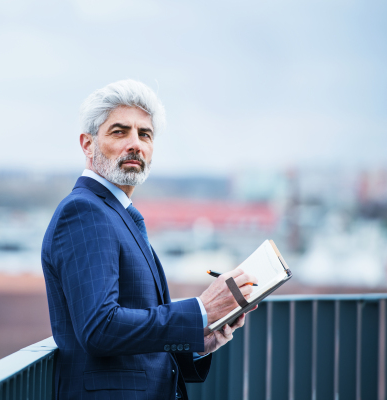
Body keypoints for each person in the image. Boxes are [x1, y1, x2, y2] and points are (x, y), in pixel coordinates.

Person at [41, 79, 258, 399]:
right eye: (119, 131)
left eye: (145, 134)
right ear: (87, 144)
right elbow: (100, 328)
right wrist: (200, 309)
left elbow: (133, 334)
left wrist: (197, 339)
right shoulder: (85, 212)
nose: (135, 144)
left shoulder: (116, 213)